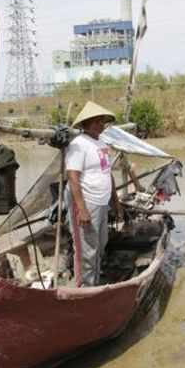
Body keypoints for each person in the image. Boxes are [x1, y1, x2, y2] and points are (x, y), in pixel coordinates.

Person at [65, 101, 122, 286]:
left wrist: (116, 200)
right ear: (85, 124)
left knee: (100, 244)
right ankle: (86, 287)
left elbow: (108, 173)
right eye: (96, 121)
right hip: (87, 202)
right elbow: (73, 176)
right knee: (86, 249)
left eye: (102, 121)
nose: (100, 125)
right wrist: (81, 209)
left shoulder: (101, 143)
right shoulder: (78, 144)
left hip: (102, 203)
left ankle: (95, 281)